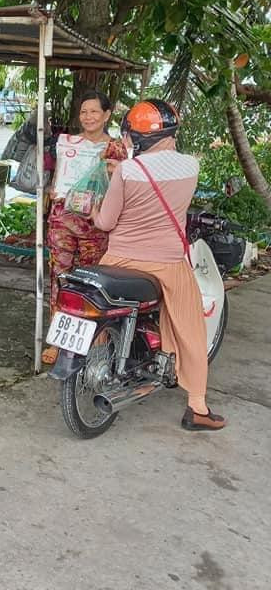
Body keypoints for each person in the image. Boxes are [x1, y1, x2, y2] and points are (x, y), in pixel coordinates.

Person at [92, 99, 226, 431]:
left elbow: (107, 223)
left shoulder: (127, 170)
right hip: (167, 262)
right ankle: (197, 405)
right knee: (191, 327)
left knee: (99, 307)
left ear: (134, 136)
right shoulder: (190, 167)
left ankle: (95, 359)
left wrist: (95, 213)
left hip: (119, 258)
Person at [42, 89, 127, 365]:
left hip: (96, 222)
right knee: (60, 276)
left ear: (106, 115)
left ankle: (97, 338)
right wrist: (53, 191)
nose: (88, 117)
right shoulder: (67, 142)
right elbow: (59, 175)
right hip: (62, 219)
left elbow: (125, 186)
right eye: (84, 112)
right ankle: (57, 339)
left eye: (94, 111)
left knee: (93, 280)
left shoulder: (116, 149)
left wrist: (115, 171)